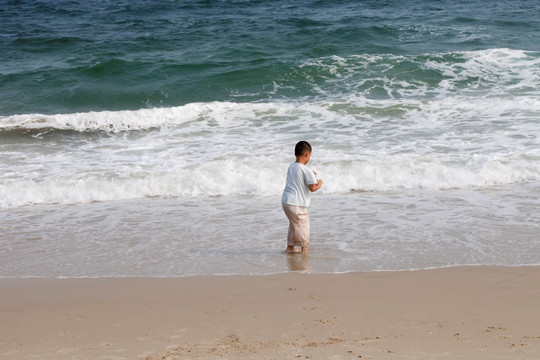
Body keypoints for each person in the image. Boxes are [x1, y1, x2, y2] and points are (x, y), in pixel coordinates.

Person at [281, 141, 323, 253]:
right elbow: (312, 188)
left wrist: (311, 176)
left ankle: (290, 247)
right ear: (307, 154)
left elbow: (299, 180)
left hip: (286, 201)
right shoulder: (306, 170)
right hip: (296, 203)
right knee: (302, 224)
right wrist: (319, 183)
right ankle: (304, 248)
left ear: (295, 154)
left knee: (294, 224)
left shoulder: (292, 166)